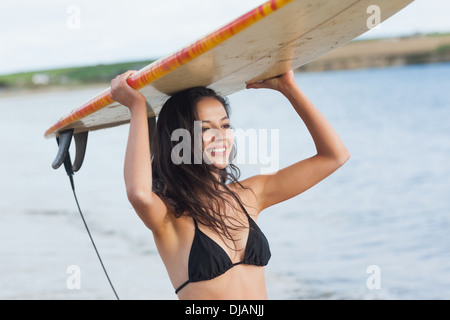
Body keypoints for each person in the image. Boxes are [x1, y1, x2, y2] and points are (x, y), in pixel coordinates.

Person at [110, 69, 350, 299]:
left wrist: (288, 88)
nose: (220, 136)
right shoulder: (169, 215)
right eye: (205, 128)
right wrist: (137, 106)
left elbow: (334, 156)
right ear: (179, 139)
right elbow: (138, 193)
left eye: (225, 125)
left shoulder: (250, 194)